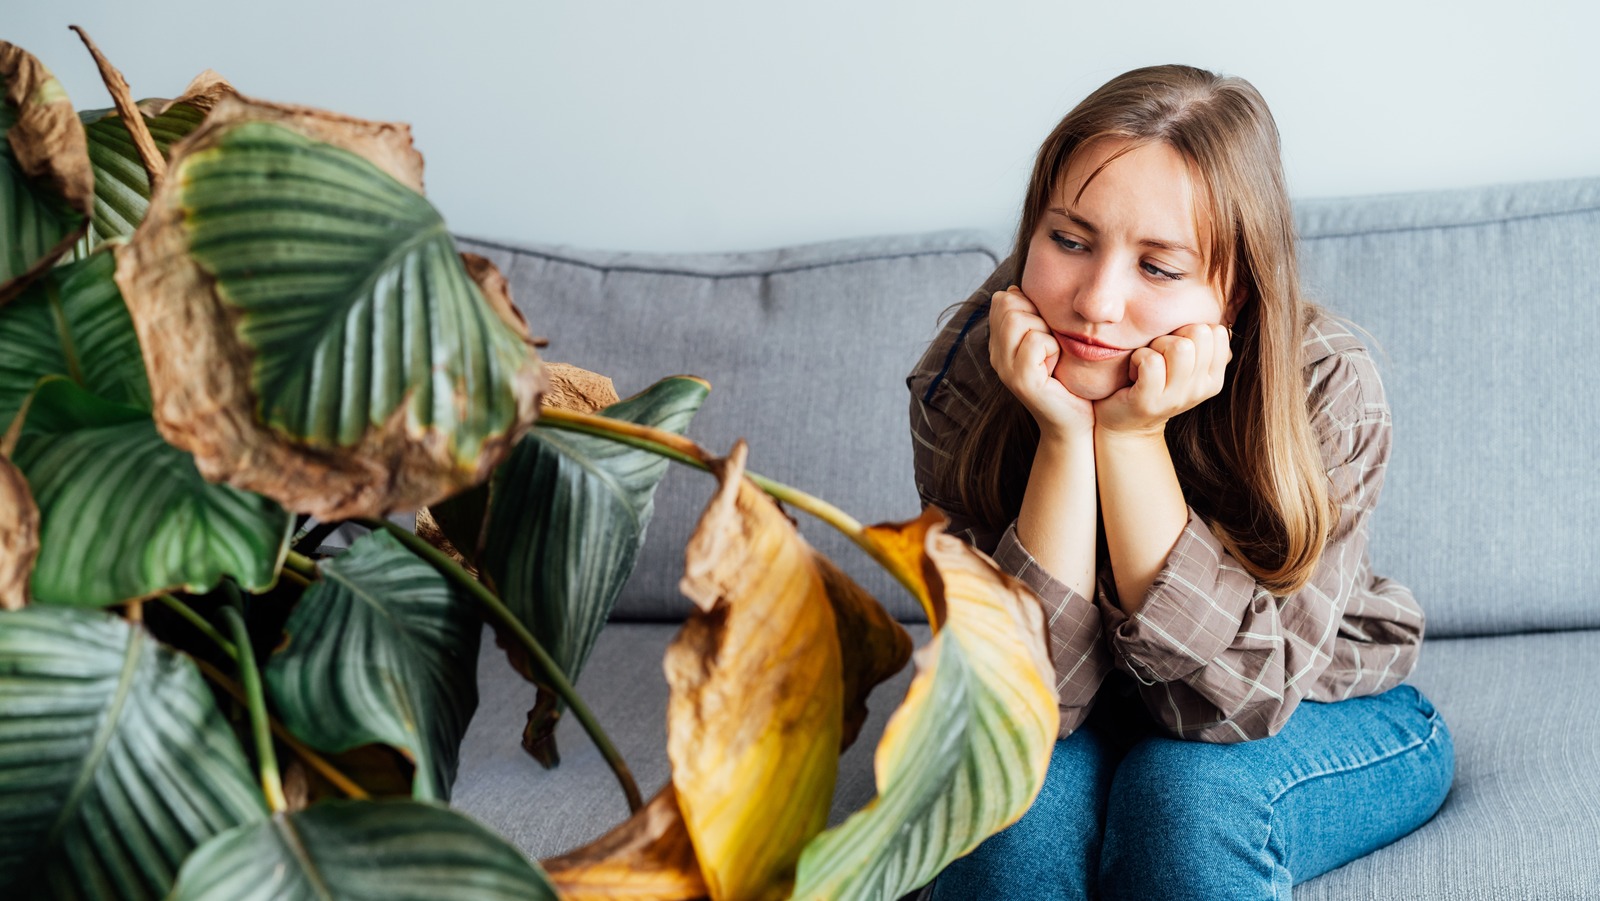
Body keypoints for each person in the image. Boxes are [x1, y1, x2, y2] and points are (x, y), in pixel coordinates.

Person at [908, 65, 1454, 900]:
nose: (1096, 302)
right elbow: (1022, 708)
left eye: (1158, 268)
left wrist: (1131, 439)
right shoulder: (969, 370)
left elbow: (1230, 706)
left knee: (1184, 798)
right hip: (1080, 722)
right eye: (1070, 240)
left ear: (1232, 292)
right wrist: (1063, 431)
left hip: (1308, 702)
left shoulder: (1325, 389)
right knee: (1007, 811)